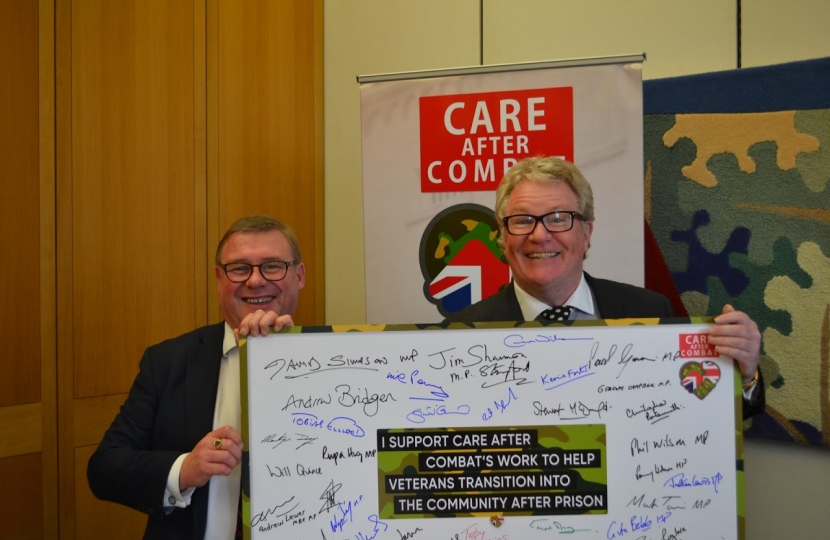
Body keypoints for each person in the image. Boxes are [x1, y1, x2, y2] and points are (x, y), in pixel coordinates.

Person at [446, 157, 764, 418]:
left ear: (586, 233)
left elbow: (696, 413)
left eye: (558, 218)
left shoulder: (651, 311)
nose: (539, 235)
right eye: (522, 220)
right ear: (503, 237)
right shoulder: (459, 333)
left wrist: (744, 374)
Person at [87, 215, 305, 539]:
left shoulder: (340, 365)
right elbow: (104, 469)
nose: (256, 281)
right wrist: (184, 470)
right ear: (219, 278)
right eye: (239, 268)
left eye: (273, 266)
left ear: (299, 275)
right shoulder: (167, 362)